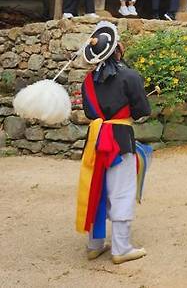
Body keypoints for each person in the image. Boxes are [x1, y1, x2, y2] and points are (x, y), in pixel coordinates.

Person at [77, 22, 151, 265]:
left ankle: (94, 245)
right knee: (122, 191)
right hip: (120, 141)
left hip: (96, 140)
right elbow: (141, 110)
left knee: (96, 187)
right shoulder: (130, 76)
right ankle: (121, 248)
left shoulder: (87, 82)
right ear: (117, 47)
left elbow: (90, 112)